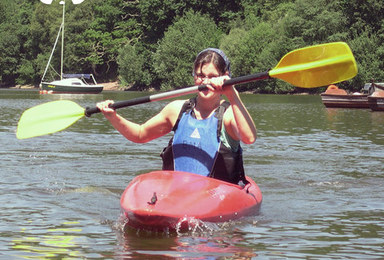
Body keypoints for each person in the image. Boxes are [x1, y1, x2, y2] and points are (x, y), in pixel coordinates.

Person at [97, 48, 257, 184]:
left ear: (225, 75)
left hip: (216, 197)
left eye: (212, 76)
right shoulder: (177, 109)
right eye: (200, 75)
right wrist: (113, 117)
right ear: (194, 75)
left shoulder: (229, 115)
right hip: (177, 194)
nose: (205, 81)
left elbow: (249, 138)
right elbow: (139, 135)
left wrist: (231, 92)